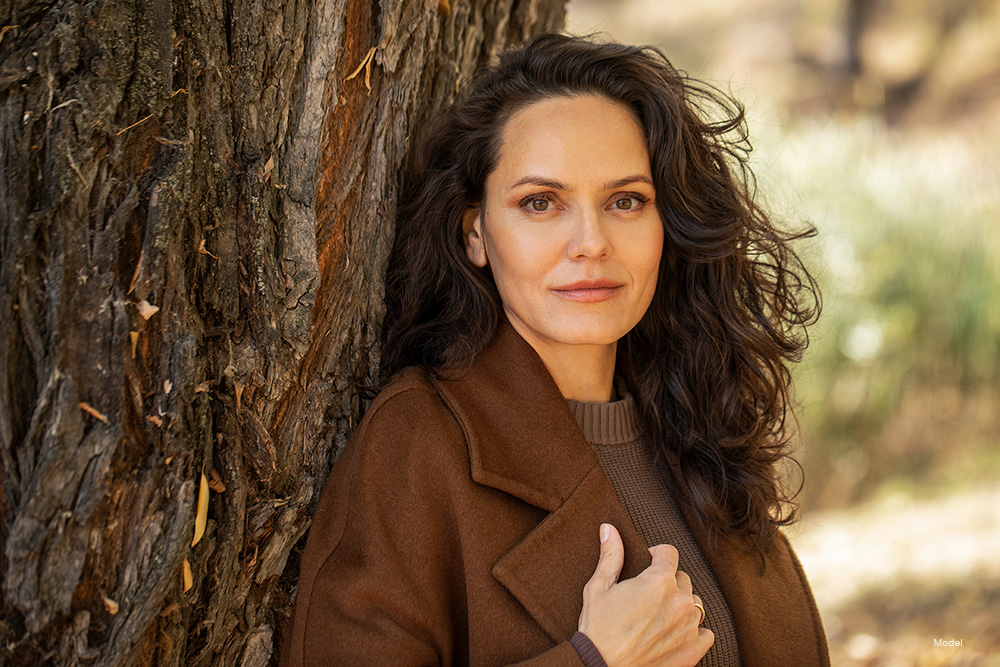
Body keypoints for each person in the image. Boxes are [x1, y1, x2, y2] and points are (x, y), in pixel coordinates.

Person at [284, 34, 828, 667]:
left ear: (666, 225)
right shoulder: (418, 443)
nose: (591, 242)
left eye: (626, 201)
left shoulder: (698, 420)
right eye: (540, 203)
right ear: (476, 235)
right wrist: (594, 660)